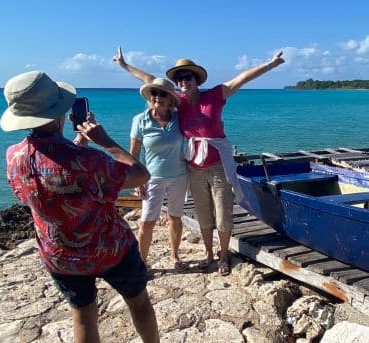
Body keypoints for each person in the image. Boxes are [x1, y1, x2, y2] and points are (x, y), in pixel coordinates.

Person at [1, 71, 176, 343]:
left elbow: (47, 179)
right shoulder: (91, 160)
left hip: (60, 254)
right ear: (61, 113)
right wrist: (105, 141)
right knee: (138, 303)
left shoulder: (14, 158)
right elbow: (140, 173)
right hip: (111, 248)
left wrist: (76, 147)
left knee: (83, 316)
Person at [114, 46, 285, 276]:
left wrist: (270, 65)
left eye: (188, 77)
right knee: (203, 214)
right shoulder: (178, 101)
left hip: (218, 166)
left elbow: (241, 79)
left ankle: (224, 255)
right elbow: (151, 81)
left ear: (196, 79)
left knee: (223, 214)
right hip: (193, 166)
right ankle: (208, 254)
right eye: (179, 78)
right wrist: (125, 66)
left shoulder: (215, 95)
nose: (183, 81)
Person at [130, 77, 188, 271]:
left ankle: (174, 255)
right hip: (151, 179)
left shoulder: (179, 118)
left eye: (163, 94)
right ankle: (141, 263)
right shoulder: (140, 120)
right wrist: (137, 181)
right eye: (154, 93)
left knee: (175, 218)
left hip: (179, 177)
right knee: (146, 222)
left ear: (171, 99)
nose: (158, 97)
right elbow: (134, 155)